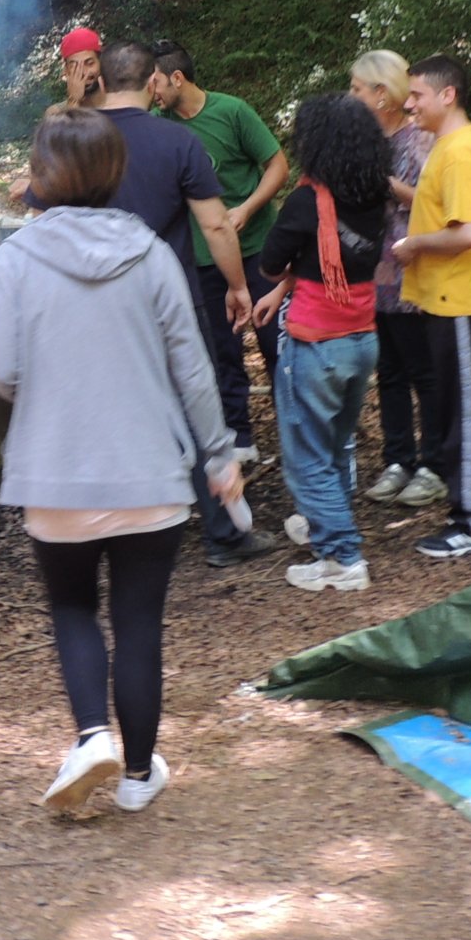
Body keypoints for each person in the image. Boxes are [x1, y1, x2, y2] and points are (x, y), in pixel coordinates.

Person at [0, 108, 243, 816]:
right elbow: (194, 369)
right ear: (116, 172)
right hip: (150, 473)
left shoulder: (14, 258)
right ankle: (136, 777)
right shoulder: (153, 254)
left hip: (53, 475)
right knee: (139, 624)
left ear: (41, 175)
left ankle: (91, 734)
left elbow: (2, 373)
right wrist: (219, 456)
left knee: (72, 608)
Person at [82, 39, 270, 567]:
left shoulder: (77, 139)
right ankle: (223, 535)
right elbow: (216, 225)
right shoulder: (176, 141)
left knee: (112, 410)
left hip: (96, 302)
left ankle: (121, 534)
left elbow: (42, 211)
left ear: (103, 81)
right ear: (151, 82)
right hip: (171, 298)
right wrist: (238, 286)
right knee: (196, 407)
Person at [255, 96, 391, 592]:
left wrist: (283, 277)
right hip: (362, 340)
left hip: (316, 345)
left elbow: (270, 264)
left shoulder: (306, 203)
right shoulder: (376, 196)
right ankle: (323, 526)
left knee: (307, 457)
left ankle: (341, 557)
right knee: (334, 446)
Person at [392, 54, 471, 561]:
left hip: (459, 298)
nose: (409, 104)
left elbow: (469, 234)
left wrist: (415, 245)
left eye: (417, 95)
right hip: (456, 296)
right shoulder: (451, 145)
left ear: (448, 95)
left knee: (465, 410)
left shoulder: (461, 151)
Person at [150, 40, 288, 461]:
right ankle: (240, 436)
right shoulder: (159, 125)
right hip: (204, 257)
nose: (151, 91)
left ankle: (296, 435)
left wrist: (247, 207)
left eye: (155, 82)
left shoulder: (232, 111)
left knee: (276, 345)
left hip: (257, 249)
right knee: (222, 352)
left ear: (177, 78)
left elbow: (278, 166)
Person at [349, 50, 445, 509]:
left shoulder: (420, 139)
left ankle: (435, 465)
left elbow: (432, 200)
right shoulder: (364, 140)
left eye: (356, 89)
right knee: (388, 370)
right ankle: (398, 460)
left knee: (422, 369)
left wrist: (382, 182)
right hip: (374, 271)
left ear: (382, 94)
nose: (351, 96)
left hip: (412, 267)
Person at [9, 25, 106, 206]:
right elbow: (47, 168)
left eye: (89, 63)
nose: (83, 73)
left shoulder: (115, 107)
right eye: (74, 66)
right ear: (66, 71)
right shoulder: (55, 114)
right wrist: (74, 102)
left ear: (101, 64)